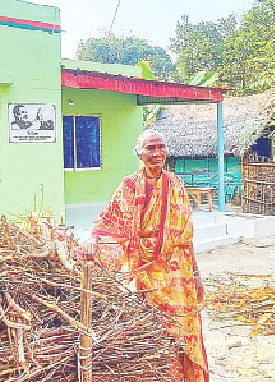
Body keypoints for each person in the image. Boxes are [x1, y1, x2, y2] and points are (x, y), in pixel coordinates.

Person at [77, 129, 209, 381]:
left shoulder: (177, 185)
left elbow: (186, 237)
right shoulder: (128, 186)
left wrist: (196, 274)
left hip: (177, 273)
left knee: (183, 329)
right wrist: (93, 243)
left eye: (161, 147)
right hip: (145, 272)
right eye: (151, 148)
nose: (157, 153)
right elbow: (108, 224)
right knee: (155, 328)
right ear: (139, 153)